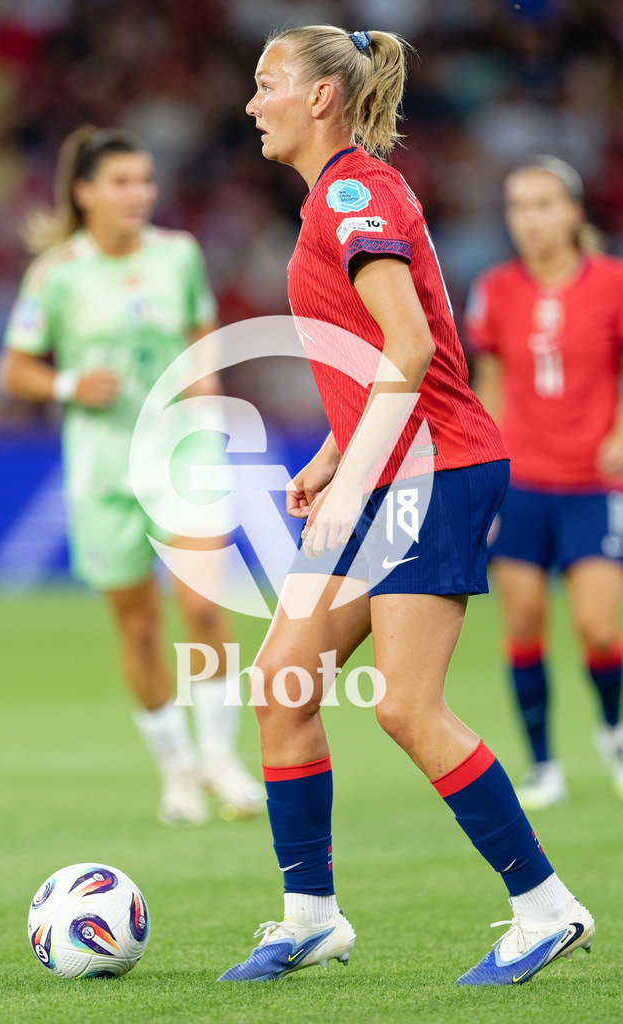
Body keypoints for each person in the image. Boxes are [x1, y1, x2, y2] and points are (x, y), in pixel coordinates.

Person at [218, 26, 594, 987]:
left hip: (435, 472)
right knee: (284, 680)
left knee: (405, 708)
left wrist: (355, 475)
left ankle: (545, 908)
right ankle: (310, 917)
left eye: (268, 84)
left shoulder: (351, 195)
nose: (252, 102)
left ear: (321, 100)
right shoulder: (335, 200)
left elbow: (414, 345)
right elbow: (384, 361)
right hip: (392, 468)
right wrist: (334, 453)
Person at [0, 125, 264, 825]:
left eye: (144, 180)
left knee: (204, 607)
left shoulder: (179, 254)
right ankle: (176, 769)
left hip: (181, 453)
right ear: (84, 193)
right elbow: (16, 367)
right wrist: (68, 385)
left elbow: (202, 337)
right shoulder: (55, 273)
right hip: (103, 469)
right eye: (121, 182)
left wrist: (207, 390)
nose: (138, 193)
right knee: (140, 629)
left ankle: (220, 759)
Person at [468, 157, 623, 809]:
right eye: (517, 206)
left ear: (573, 211)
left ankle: (613, 733)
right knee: (524, 621)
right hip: (524, 480)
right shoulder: (496, 289)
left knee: (599, 628)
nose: (528, 219)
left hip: (593, 482)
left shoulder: (613, 283)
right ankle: (543, 765)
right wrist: (486, 467)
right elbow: (492, 381)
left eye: (542, 204)